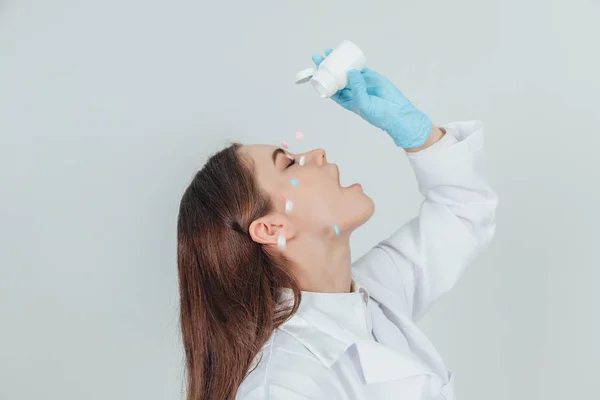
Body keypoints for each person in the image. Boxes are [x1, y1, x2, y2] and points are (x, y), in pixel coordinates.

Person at [176, 49, 498, 400]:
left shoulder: (369, 295)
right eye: (289, 164)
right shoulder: (283, 386)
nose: (317, 154)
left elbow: (463, 212)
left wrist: (418, 134)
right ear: (271, 229)